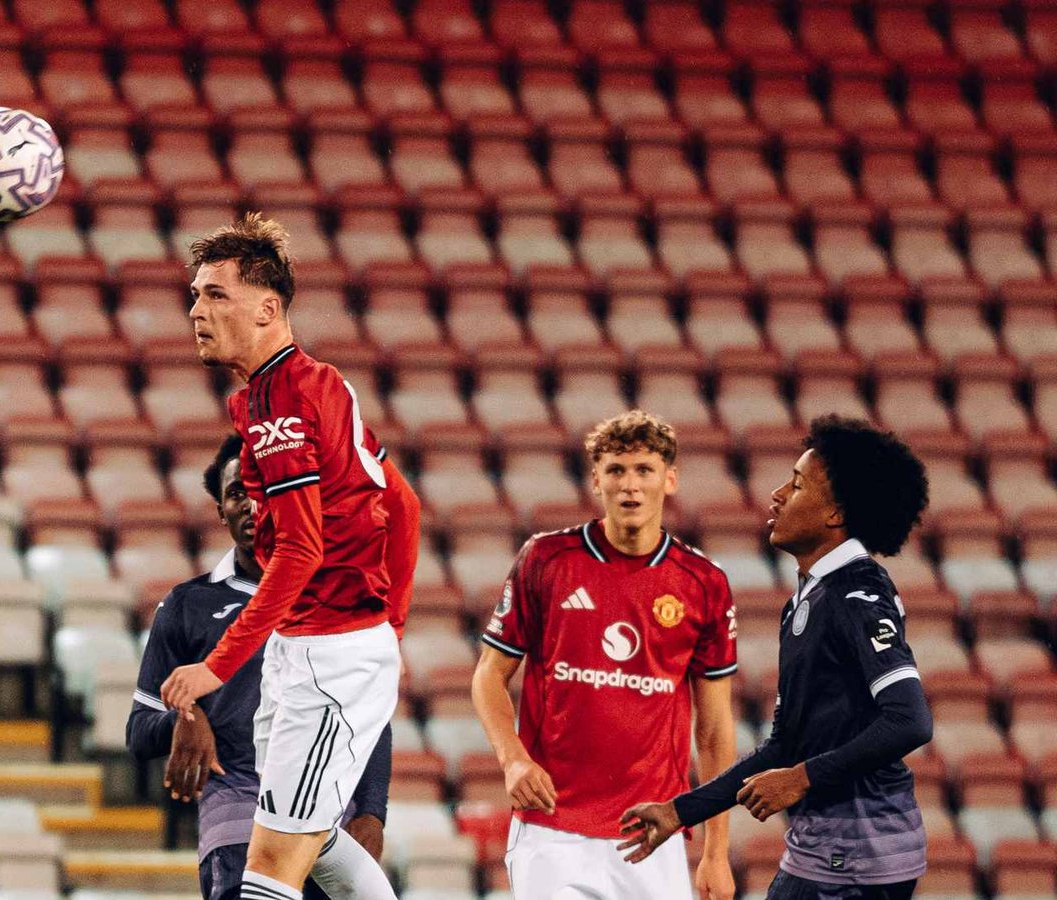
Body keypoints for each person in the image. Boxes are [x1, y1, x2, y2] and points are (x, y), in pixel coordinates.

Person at [160, 213, 421, 900]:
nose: (196, 310)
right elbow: (405, 505)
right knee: (316, 840)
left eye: (216, 294)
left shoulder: (282, 403)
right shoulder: (309, 386)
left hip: (328, 659)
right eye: (195, 295)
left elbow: (302, 549)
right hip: (307, 648)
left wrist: (215, 667)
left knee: (270, 871)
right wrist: (389, 622)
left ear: (268, 308)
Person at [620, 415, 934, 900]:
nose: (778, 495)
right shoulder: (808, 600)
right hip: (823, 849)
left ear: (835, 514)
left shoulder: (857, 591)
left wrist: (801, 778)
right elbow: (786, 745)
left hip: (857, 854)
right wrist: (679, 812)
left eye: (797, 484)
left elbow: (910, 720)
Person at [470, 411, 739, 900]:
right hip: (552, 827)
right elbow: (489, 674)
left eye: (644, 470)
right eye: (616, 470)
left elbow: (716, 728)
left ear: (669, 479)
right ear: (596, 480)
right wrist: (512, 760)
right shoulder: (546, 559)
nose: (629, 485)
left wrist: (716, 851)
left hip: (652, 831)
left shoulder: (704, 583)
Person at [128, 434, 393, 900]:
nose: (251, 506)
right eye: (236, 494)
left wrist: (371, 812)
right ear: (220, 511)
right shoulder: (188, 605)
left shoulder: (331, 597)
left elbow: (368, 712)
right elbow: (138, 728)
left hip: (329, 823)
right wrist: (186, 718)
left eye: (263, 491)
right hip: (238, 825)